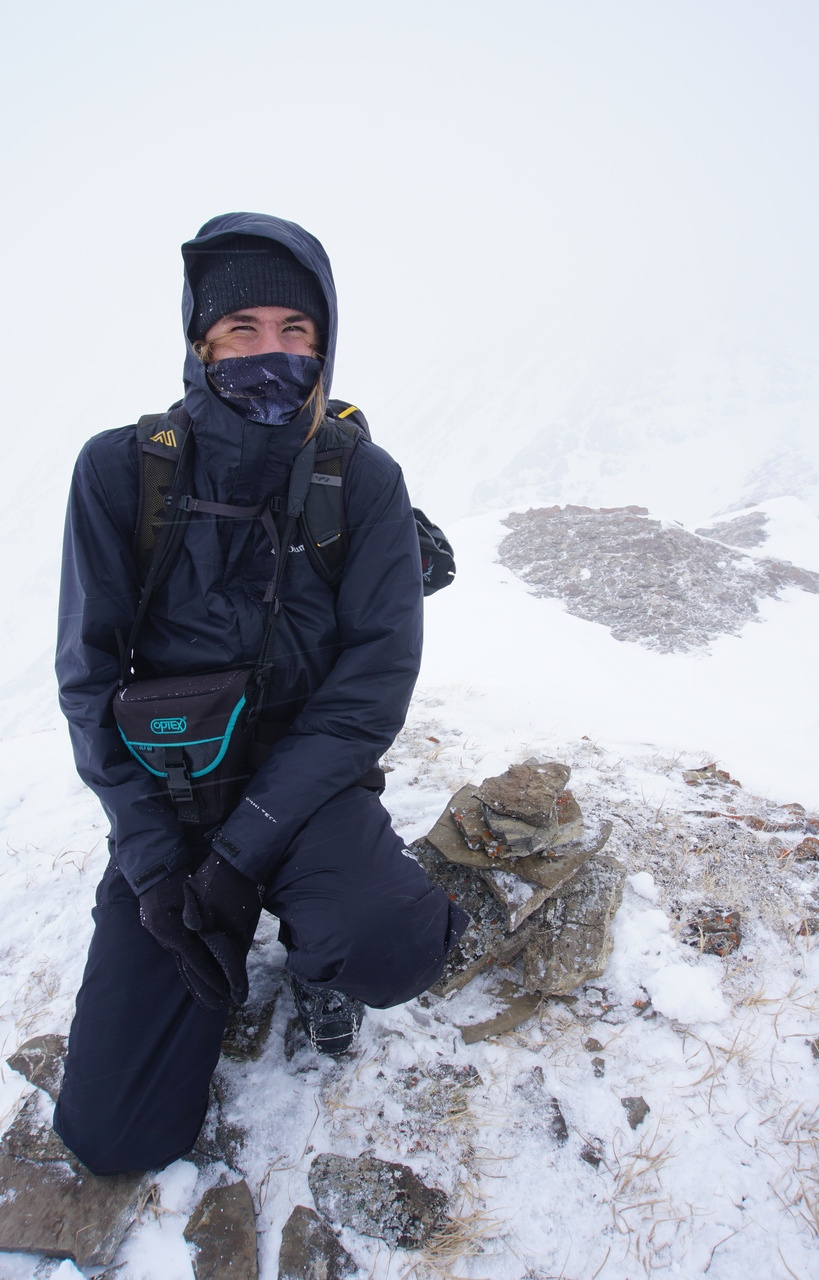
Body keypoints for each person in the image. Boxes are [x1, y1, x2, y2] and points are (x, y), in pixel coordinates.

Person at [54, 212, 468, 1176]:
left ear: (323, 344)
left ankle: (319, 961)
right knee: (115, 1138)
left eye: (294, 329)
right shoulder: (120, 470)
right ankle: (204, 926)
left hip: (307, 789)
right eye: (241, 329)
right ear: (200, 342)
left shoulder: (361, 480)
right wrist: (158, 867)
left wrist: (241, 856)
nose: (269, 351)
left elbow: (371, 687)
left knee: (389, 941)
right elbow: (88, 680)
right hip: (175, 785)